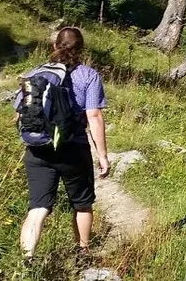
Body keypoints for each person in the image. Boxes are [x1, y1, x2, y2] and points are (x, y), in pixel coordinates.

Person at [17, 27, 111, 259]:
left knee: (38, 208)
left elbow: (20, 111)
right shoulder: (88, 75)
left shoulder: (36, 73)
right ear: (81, 50)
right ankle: (82, 252)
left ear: (54, 46)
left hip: (38, 150)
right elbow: (94, 115)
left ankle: (26, 260)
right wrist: (102, 155)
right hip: (73, 148)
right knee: (82, 204)